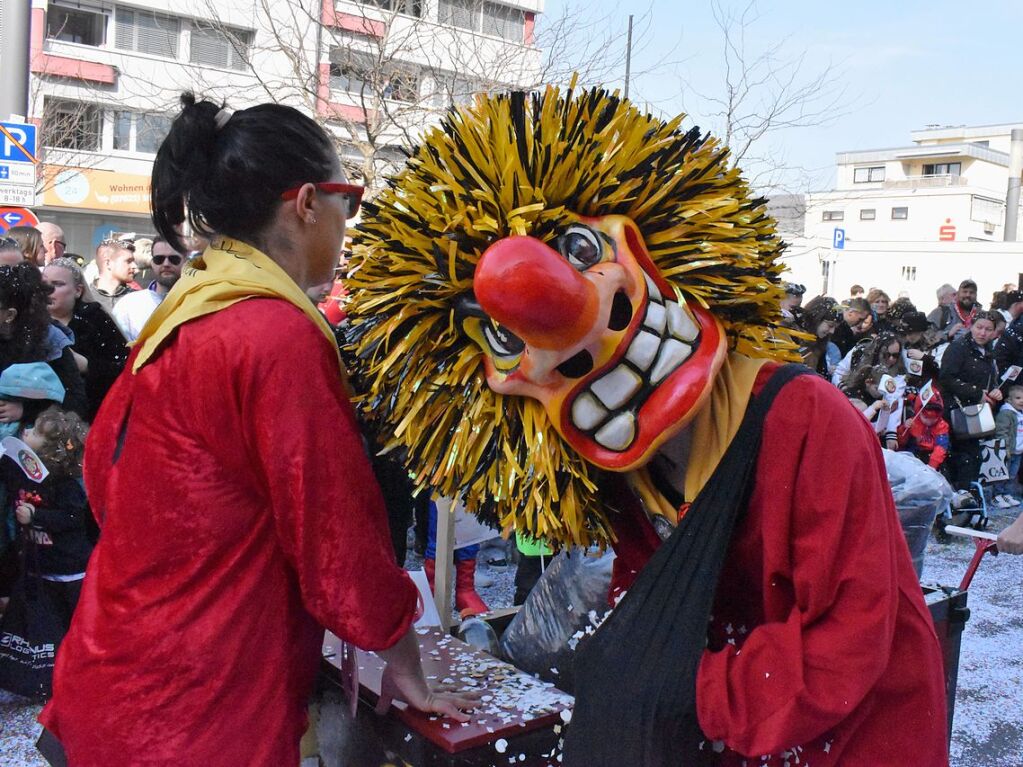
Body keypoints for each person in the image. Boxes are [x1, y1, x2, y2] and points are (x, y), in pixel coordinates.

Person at [345, 85, 948, 766]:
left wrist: (673, 688)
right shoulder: (617, 451)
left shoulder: (807, 418)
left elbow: (848, 634)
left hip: (859, 738)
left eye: (579, 248)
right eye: (503, 337)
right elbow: (653, 606)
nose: (568, 314)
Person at [38, 94, 476, 766]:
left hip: (107, 678)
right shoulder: (274, 334)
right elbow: (336, 537)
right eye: (347, 202)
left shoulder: (185, 309)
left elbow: (106, 476)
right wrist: (405, 659)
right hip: (199, 714)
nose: (347, 224)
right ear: (305, 202)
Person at [0, 406, 91, 698]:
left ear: (52, 450)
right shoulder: (22, 473)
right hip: (40, 567)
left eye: (36, 432)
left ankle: (81, 671)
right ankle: (46, 673)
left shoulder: (64, 485)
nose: (26, 432)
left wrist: (36, 516)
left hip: (70, 570)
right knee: (47, 626)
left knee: (74, 623)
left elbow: (74, 518)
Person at [42, 258, 129, 421]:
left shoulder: (95, 319)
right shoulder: (29, 321)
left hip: (91, 419)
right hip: (38, 420)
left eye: (58, 284)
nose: (47, 290)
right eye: (44, 283)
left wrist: (87, 365)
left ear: (78, 290)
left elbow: (125, 369)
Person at [939, 310, 1002, 497]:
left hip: (977, 411)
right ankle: (962, 498)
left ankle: (970, 498)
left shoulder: (989, 351)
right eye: (979, 327)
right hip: (958, 411)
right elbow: (947, 378)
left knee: (975, 456)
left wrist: (995, 391)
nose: (982, 333)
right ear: (971, 326)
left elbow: (989, 378)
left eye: (988, 329)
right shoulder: (958, 348)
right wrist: (976, 393)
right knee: (964, 456)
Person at [111, 238, 185, 341]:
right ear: (152, 263)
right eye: (159, 259)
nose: (166, 264)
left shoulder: (199, 303)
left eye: (174, 259)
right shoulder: (128, 306)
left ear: (185, 262)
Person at [897, 390, 950, 471]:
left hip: (933, 459)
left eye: (934, 418)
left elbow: (940, 448)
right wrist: (904, 428)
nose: (929, 421)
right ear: (919, 411)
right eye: (926, 417)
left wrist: (931, 467)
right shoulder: (912, 422)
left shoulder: (942, 426)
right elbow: (901, 442)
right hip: (913, 456)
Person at [991, 385, 1023, 508]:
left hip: (1018, 451)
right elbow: (1001, 432)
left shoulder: (1020, 414)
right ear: (1009, 400)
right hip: (1008, 450)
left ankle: (1007, 494)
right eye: (1018, 398)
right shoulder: (1006, 413)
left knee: (1012, 475)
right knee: (1001, 475)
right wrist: (1004, 448)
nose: (1021, 401)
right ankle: (997, 496)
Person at [89, 237, 138, 313]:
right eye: (128, 261)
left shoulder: (137, 298)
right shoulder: (84, 297)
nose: (134, 266)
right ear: (108, 263)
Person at [797, 295, 840, 377]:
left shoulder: (819, 344)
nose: (832, 331)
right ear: (817, 319)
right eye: (830, 326)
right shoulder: (795, 338)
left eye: (835, 327)